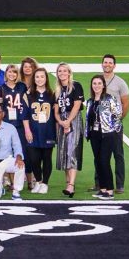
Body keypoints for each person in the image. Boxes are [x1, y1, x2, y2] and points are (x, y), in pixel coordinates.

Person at [87, 74, 124, 200]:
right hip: (95, 135)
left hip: (108, 134)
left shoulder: (109, 99)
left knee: (104, 161)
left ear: (103, 85)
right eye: (94, 84)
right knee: (98, 161)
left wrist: (113, 130)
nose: (96, 86)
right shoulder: (90, 101)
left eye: (99, 83)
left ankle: (109, 190)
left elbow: (118, 114)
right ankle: (102, 189)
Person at [54, 63, 85, 197]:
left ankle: (71, 185)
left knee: (73, 150)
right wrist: (61, 121)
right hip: (61, 121)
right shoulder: (57, 90)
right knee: (64, 152)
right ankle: (68, 182)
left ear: (69, 72)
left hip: (74, 120)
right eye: (59, 71)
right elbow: (56, 110)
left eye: (64, 71)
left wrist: (68, 121)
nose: (62, 73)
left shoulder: (76, 86)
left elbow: (77, 105)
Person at [101, 54, 129, 194]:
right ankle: (99, 183)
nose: (107, 64)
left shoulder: (120, 82)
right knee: (100, 154)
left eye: (110, 63)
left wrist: (118, 119)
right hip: (100, 123)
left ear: (114, 65)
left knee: (118, 154)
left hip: (115, 124)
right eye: (105, 62)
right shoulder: (98, 80)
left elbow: (125, 104)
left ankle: (119, 184)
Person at [26, 67, 56, 194]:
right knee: (34, 158)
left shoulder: (52, 94)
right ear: (34, 78)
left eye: (42, 77)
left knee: (47, 157)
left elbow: (56, 113)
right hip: (33, 131)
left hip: (48, 131)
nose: (39, 79)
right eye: (37, 77)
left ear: (46, 78)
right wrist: (27, 130)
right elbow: (25, 115)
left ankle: (45, 183)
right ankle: (38, 181)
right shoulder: (28, 94)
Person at [0, 65, 32, 162]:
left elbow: (27, 104)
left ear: (17, 74)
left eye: (14, 72)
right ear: (6, 73)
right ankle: (8, 175)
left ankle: (22, 173)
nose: (12, 74)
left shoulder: (22, 86)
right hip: (7, 122)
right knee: (7, 150)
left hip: (20, 123)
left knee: (22, 150)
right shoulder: (1, 89)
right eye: (10, 72)